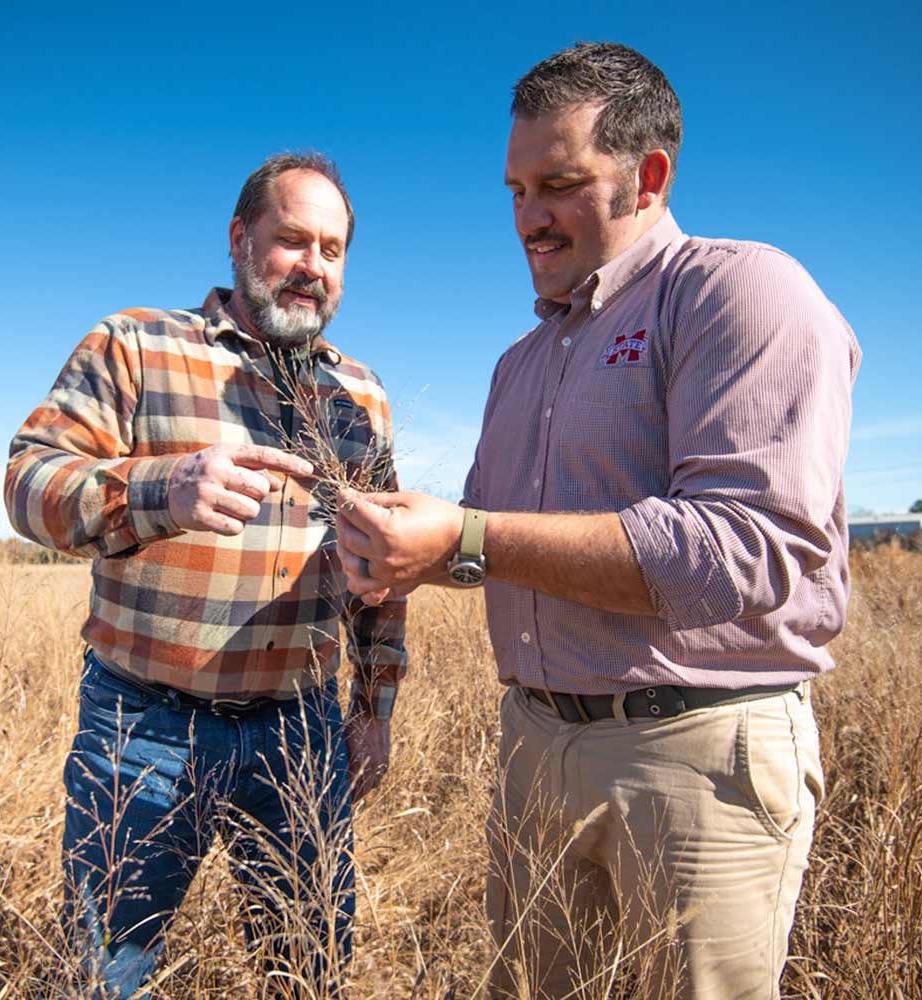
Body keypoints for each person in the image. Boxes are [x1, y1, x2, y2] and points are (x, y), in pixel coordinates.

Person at [337, 43, 860, 999]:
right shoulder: (521, 363)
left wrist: (464, 537)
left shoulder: (738, 292)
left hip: (694, 756)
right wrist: (407, 547)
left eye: (561, 184)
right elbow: (486, 547)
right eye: (515, 189)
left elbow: (738, 550)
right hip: (536, 744)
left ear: (647, 176)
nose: (529, 218)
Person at [5, 152, 406, 998]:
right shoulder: (136, 344)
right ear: (238, 238)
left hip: (302, 731)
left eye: (332, 250)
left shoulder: (361, 396)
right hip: (144, 726)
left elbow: (383, 572)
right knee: (103, 973)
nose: (313, 268)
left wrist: (371, 710)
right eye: (292, 240)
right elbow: (29, 482)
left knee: (308, 970)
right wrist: (163, 486)